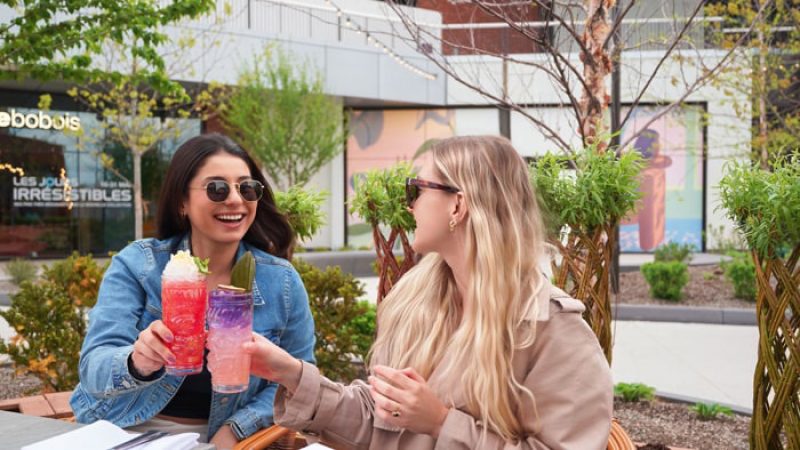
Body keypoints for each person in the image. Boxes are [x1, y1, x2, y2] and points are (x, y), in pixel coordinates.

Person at [243, 135, 613, 449]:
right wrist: (290, 372)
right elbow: (379, 425)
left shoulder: (551, 327)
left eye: (417, 189)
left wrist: (440, 423)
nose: (409, 204)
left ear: (458, 204)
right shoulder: (414, 303)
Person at [70, 133, 316, 448]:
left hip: (215, 438)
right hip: (122, 429)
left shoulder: (280, 281)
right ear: (181, 202)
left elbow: (298, 379)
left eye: (247, 188)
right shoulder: (140, 265)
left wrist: (237, 429)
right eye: (216, 188)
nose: (235, 200)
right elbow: (94, 366)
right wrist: (137, 361)